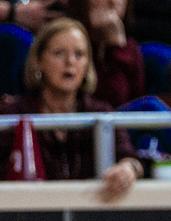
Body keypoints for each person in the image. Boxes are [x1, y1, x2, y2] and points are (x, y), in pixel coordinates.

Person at [0, 18, 140, 197]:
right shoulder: (14, 113)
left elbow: (131, 159)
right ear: (38, 62)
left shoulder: (100, 112)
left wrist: (128, 169)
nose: (70, 62)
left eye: (79, 54)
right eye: (59, 53)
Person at [67, 0, 145, 109]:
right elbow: (105, 103)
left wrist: (117, 46)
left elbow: (134, 105)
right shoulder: (67, 42)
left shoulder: (128, 46)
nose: (113, 1)